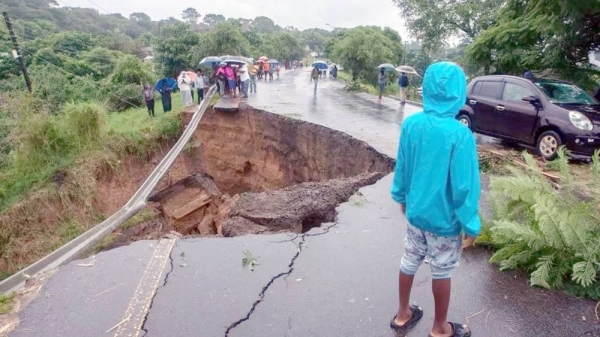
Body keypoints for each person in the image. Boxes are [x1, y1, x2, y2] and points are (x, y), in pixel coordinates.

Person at [390, 61, 479, 337]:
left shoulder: (411, 124)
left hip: (416, 214)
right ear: (458, 92)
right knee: (441, 270)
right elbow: (464, 186)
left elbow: (403, 166)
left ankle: (403, 314)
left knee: (409, 259)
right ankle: (440, 328)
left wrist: (402, 198)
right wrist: (470, 224)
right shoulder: (460, 134)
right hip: (444, 221)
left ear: (426, 88)